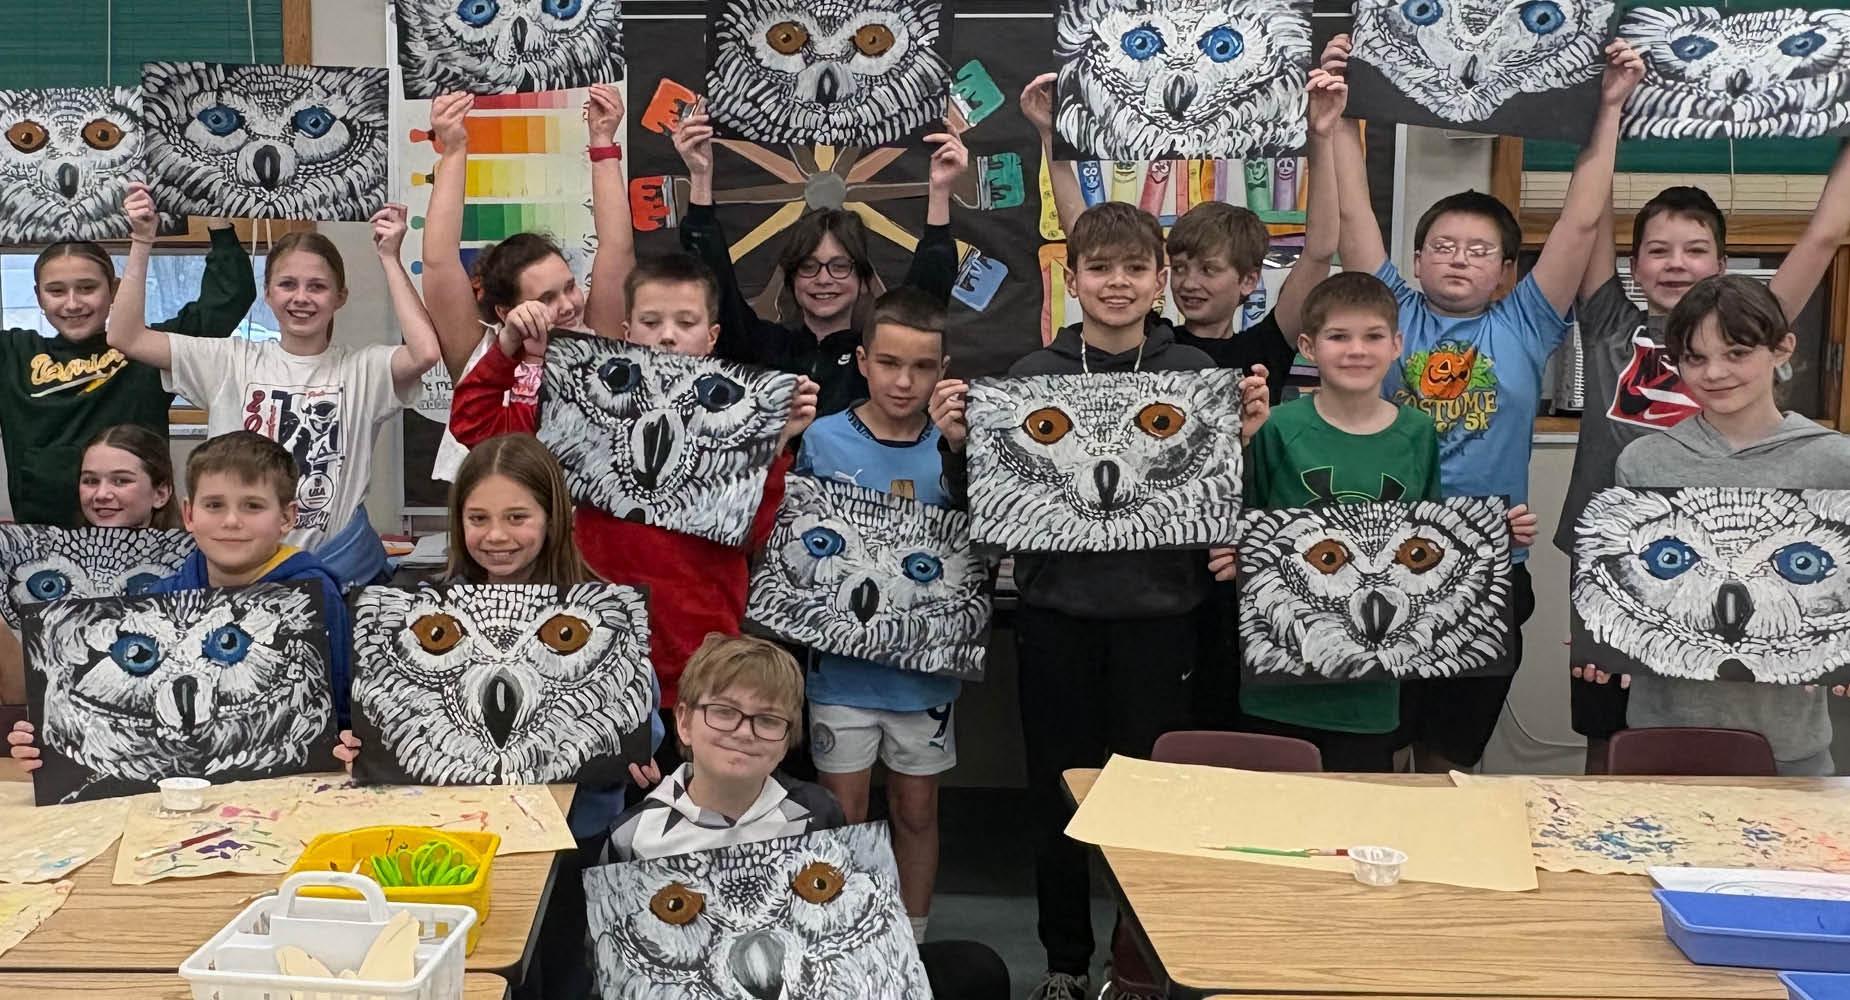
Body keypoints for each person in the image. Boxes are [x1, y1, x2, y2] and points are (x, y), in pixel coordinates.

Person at [931, 201, 1268, 1000]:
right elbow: (987, 510)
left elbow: (1226, 509)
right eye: (1100, 269)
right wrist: (956, 449)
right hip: (1058, 619)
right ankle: (1063, 963)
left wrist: (1242, 444)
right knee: (1056, 798)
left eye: (1134, 269)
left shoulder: (1192, 376)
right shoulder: (1032, 380)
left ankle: (1139, 963)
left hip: (1164, 620)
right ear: (1072, 278)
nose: (1117, 284)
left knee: (1148, 804)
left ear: (1159, 280)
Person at [1327, 39, 1616, 772]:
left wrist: (1606, 110)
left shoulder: (1523, 323)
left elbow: (1581, 224)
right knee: (1371, 754)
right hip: (1380, 564)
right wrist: (1332, 118)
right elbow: (1355, 213)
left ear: (1505, 271)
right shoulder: (1392, 315)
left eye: (1479, 250)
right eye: (1443, 245)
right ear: (1416, 259)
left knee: (1449, 761)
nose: (1458, 258)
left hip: (1486, 569)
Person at [447, 252, 819, 760]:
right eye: (651, 322)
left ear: (711, 338)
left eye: (685, 323)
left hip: (701, 669)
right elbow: (475, 426)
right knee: (603, 824)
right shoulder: (582, 404)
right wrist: (507, 348)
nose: (667, 335)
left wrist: (771, 452)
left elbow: (759, 539)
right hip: (594, 665)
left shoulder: (746, 426)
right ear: (626, 332)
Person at [1562, 123, 1850, 772]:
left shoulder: (1755, 317)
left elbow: (1825, 232)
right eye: (1657, 250)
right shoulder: (1612, 322)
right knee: (1618, 750)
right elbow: (1585, 222)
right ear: (1634, 265)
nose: (1675, 263)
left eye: (1695, 250)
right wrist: (1603, 110)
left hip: (1764, 618)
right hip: (1621, 573)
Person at [333, 431, 661, 1000]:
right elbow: (391, 712)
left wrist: (636, 748)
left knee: (563, 971)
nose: (496, 536)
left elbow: (643, 721)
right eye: (478, 518)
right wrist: (366, 741)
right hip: (461, 833)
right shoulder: (424, 612)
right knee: (483, 973)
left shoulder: (602, 612)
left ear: (553, 517)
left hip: (571, 835)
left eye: (517, 517)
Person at [599, 633, 1010, 1000]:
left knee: (975, 967)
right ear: (684, 722)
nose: (744, 732)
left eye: (767, 720)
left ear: (786, 741)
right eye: (723, 712)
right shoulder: (634, 836)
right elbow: (617, 968)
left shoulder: (816, 813)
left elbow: (845, 939)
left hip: (807, 984)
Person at [105, 184, 444, 591]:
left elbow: (425, 352)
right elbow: (126, 336)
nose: (301, 298)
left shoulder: (362, 369)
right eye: (287, 285)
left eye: (316, 286)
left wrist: (389, 257)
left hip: (334, 570)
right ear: (267, 294)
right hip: (237, 570)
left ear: (340, 297)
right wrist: (143, 239)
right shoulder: (230, 360)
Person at [8, 430, 351, 769]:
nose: (231, 521)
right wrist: (47, 743)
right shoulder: (156, 602)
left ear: (287, 518)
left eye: (252, 506)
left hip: (292, 790)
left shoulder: (315, 596)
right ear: (189, 515)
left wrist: (352, 743)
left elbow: (341, 709)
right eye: (214, 505)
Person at [1020, 69, 1343, 401]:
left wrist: (1321, 137)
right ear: (1161, 278)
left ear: (1248, 280)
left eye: (1208, 269)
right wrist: (1050, 137)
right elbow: (1085, 237)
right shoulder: (1156, 341)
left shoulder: (1265, 346)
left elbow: (1320, 251)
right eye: (1181, 267)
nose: (1189, 283)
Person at [796, 286, 960, 943]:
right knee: (844, 813)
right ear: (862, 361)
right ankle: (847, 944)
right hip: (840, 671)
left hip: (924, 673)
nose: (904, 380)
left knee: (917, 809)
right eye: (890, 363)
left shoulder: (956, 448)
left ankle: (911, 942)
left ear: (942, 370)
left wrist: (966, 451)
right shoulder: (822, 441)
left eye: (922, 367)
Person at [1230, 271, 1442, 769]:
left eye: (1372, 337)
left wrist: (1494, 536)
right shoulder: (1276, 428)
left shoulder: (1418, 432)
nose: (1356, 351)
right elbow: (1245, 524)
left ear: (1396, 345)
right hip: (1281, 671)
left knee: (1359, 825)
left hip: (1371, 684)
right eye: (1338, 337)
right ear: (1308, 346)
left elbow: (1429, 543)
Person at [671, 99, 967, 416]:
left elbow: (926, 294)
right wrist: (700, 177)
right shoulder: (761, 347)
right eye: (808, 267)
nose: (823, 279)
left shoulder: (879, 358)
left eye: (839, 266)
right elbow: (712, 281)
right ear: (791, 278)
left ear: (863, 278)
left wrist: (940, 190)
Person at [418, 87, 635, 480]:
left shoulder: (594, 337)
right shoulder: (480, 350)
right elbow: (437, 262)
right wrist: (453, 149)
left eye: (569, 286)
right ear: (505, 312)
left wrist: (602, 142)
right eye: (546, 298)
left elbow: (617, 250)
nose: (568, 305)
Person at [0, 219, 253, 528]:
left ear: (115, 289)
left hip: (142, 542)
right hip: (43, 544)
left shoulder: (146, 351)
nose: (72, 303)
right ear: (39, 296)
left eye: (87, 288)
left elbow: (228, 299)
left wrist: (218, 223)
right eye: (56, 291)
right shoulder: (12, 354)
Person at [78, 424, 180, 529]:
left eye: (121, 481)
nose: (101, 494)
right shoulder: (61, 543)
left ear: (160, 494)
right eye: (91, 481)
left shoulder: (191, 545)